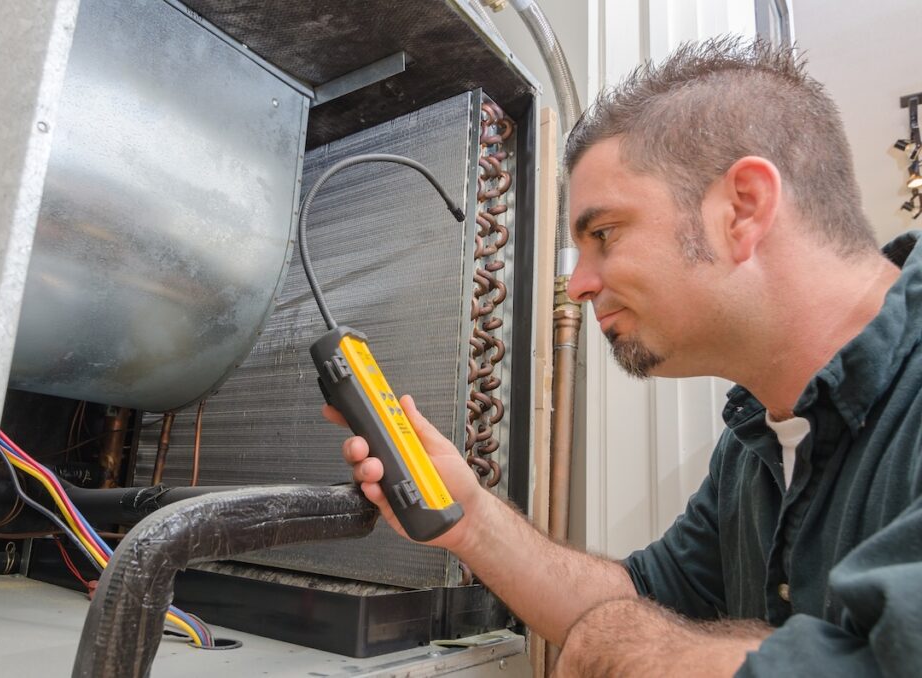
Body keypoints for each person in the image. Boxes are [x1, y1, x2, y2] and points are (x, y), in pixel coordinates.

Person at [325, 36, 922, 677]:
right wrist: (471, 520)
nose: (579, 285)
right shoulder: (755, 441)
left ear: (743, 208)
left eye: (604, 234)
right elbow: (647, 597)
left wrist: (626, 648)